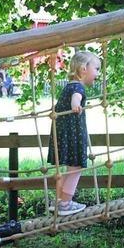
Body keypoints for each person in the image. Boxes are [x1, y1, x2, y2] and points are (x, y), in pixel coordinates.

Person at [47, 51, 101, 216]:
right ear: (84, 68)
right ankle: (66, 203)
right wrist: (76, 105)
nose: (98, 73)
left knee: (66, 169)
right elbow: (75, 99)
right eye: (97, 69)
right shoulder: (78, 87)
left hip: (62, 134)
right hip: (73, 135)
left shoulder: (69, 85)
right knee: (75, 168)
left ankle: (58, 201)